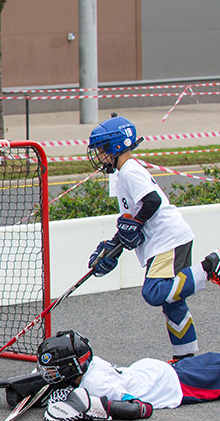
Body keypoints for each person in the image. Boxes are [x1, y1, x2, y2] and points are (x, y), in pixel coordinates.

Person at [86, 115, 220, 362]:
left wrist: (135, 224)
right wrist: (113, 245)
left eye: (102, 151)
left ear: (115, 147)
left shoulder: (129, 171)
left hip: (166, 240)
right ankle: (185, 356)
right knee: (172, 301)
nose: (99, 157)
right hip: (168, 240)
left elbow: (152, 201)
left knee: (155, 292)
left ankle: (209, 268)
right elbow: (131, 217)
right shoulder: (123, 173)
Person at [28, 330, 220, 421]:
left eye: (53, 370)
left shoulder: (98, 385)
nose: (48, 374)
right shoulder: (91, 364)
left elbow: (141, 408)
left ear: (72, 367)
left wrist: (99, 407)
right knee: (213, 359)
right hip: (156, 371)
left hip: (175, 385)